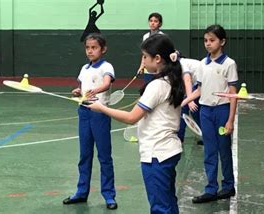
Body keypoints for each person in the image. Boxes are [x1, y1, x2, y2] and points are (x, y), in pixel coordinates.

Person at [87, 34, 184, 213]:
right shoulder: (172, 80)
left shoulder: (157, 86)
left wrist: (101, 108)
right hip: (168, 151)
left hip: (157, 155)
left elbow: (132, 117)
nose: (143, 61)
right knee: (169, 202)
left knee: (160, 207)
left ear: (157, 59)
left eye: (145, 57)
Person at [182, 24, 238, 204]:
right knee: (209, 152)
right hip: (205, 112)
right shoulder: (202, 64)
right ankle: (211, 189)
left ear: (222, 42)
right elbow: (199, 90)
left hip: (221, 112)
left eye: (212, 40)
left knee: (224, 150)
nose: (208, 44)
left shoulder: (229, 64)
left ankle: (228, 186)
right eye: (206, 40)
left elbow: (232, 94)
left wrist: (230, 120)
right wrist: (183, 102)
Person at [62, 33, 117, 210]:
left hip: (100, 114)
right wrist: (78, 91)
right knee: (84, 155)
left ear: (103, 49)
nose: (90, 51)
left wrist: (94, 90)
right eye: (88, 47)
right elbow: (81, 87)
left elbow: (107, 83)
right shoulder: (84, 69)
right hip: (84, 112)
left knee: (104, 156)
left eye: (94, 47)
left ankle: (109, 195)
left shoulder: (107, 66)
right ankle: (81, 192)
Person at [173, 54, 203, 145]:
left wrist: (189, 100)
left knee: (186, 108)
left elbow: (187, 81)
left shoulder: (182, 63)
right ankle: (207, 136)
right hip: (200, 84)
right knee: (194, 110)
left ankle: (179, 138)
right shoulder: (179, 64)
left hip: (203, 84)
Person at [139, 12, 165, 84]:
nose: (152, 23)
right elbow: (144, 54)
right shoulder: (145, 36)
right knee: (147, 88)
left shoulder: (162, 37)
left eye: (155, 21)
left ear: (160, 24)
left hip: (159, 69)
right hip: (148, 69)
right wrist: (141, 66)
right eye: (151, 21)